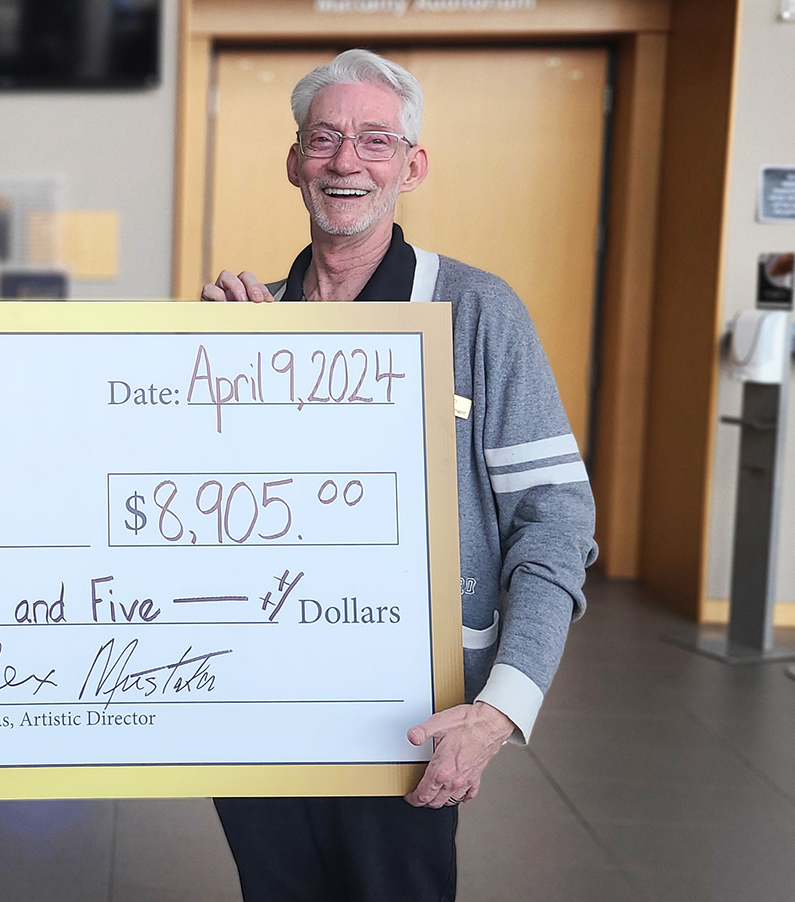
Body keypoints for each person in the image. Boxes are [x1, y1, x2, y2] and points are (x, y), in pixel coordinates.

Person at [202, 49, 596, 901]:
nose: (347, 162)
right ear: (294, 162)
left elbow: (556, 516)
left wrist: (503, 707)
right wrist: (217, 379)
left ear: (411, 167)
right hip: (256, 696)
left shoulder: (478, 313)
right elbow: (202, 513)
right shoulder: (248, 320)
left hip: (405, 714)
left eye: (376, 141)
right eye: (325, 139)